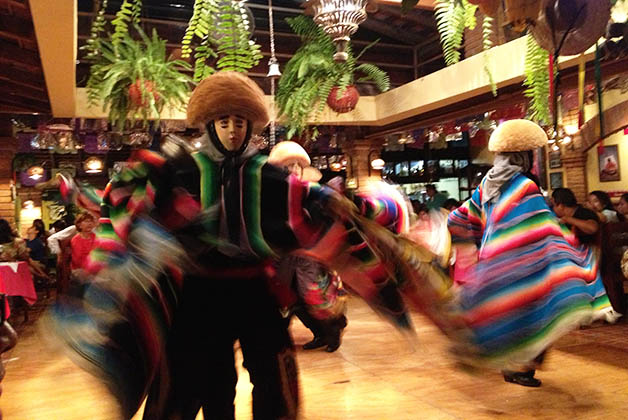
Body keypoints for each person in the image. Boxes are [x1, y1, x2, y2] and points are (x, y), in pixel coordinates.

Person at [49, 72, 418, 420]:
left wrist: (362, 206)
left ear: (250, 128)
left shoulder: (268, 175)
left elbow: (315, 202)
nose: (231, 130)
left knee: (273, 369)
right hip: (199, 290)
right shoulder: (180, 169)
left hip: (254, 286)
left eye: (239, 122)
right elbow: (128, 200)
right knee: (209, 377)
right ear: (209, 125)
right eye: (223, 122)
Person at [448, 119, 613, 387]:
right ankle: (521, 367)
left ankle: (513, 363)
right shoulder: (524, 186)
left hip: (497, 259)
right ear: (522, 157)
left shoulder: (487, 186)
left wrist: (481, 244)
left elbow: (458, 217)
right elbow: (539, 224)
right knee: (538, 312)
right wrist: (563, 246)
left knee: (510, 309)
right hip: (526, 260)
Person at [267, 141, 347, 353]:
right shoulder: (272, 192)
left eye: (296, 165)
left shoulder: (311, 192)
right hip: (282, 254)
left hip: (307, 254)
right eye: (288, 165)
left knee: (311, 295)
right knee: (288, 298)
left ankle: (331, 331)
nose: (293, 169)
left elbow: (325, 221)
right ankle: (318, 334)